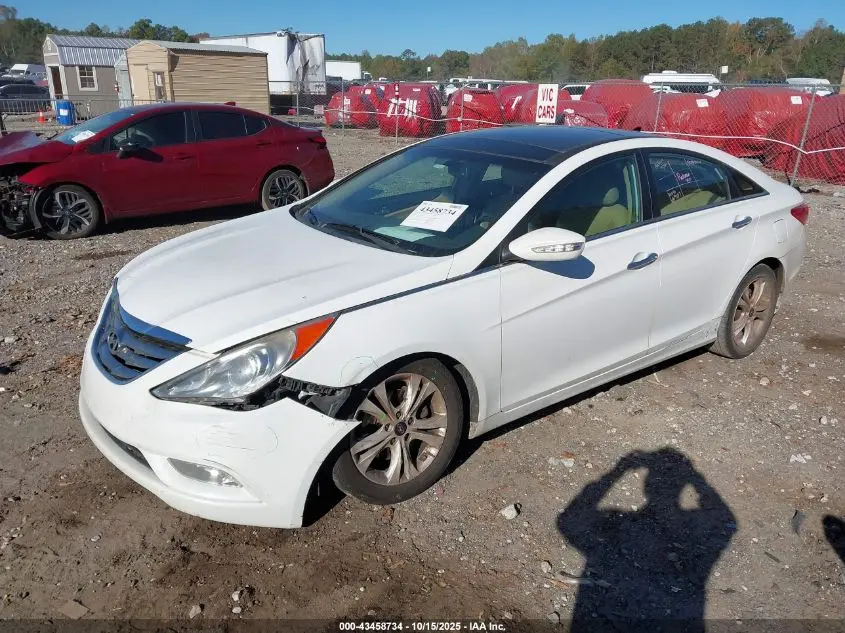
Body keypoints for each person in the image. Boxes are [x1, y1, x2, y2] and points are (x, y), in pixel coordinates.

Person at [558, 448, 736, 632]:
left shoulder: (617, 525)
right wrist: (694, 476)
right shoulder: (689, 526)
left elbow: (568, 521)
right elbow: (726, 521)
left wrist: (618, 471)